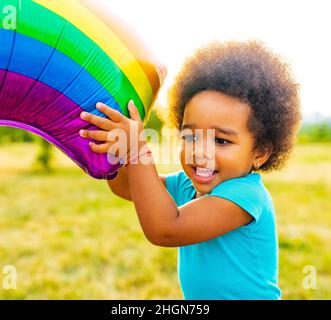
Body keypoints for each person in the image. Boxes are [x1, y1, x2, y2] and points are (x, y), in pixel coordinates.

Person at [78, 40, 301, 299]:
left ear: (260, 153)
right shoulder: (187, 185)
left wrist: (136, 150)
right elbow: (128, 188)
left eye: (221, 141)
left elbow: (165, 229)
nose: (200, 152)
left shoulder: (246, 196)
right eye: (191, 136)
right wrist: (112, 150)